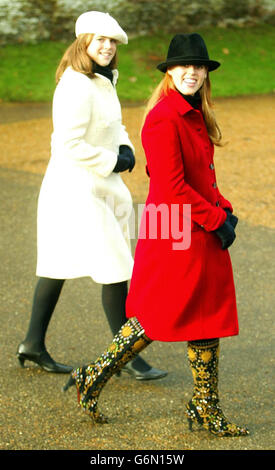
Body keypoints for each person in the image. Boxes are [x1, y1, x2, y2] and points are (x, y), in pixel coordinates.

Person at [63, 33, 249, 437]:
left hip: (196, 224)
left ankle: (204, 407)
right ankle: (92, 376)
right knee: (158, 313)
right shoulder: (164, 116)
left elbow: (202, 178)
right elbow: (172, 187)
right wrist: (216, 220)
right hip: (177, 229)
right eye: (183, 65)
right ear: (169, 71)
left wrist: (225, 208)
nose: (192, 72)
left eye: (198, 66)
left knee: (206, 316)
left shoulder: (194, 112)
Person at [16, 11, 167, 381]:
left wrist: (126, 147)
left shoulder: (103, 79)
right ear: (83, 41)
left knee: (56, 265)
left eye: (112, 41)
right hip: (75, 187)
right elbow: (67, 144)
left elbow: (114, 125)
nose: (107, 46)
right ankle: (127, 355)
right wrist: (113, 160)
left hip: (98, 184)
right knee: (116, 266)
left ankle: (32, 344)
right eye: (100, 39)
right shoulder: (76, 85)